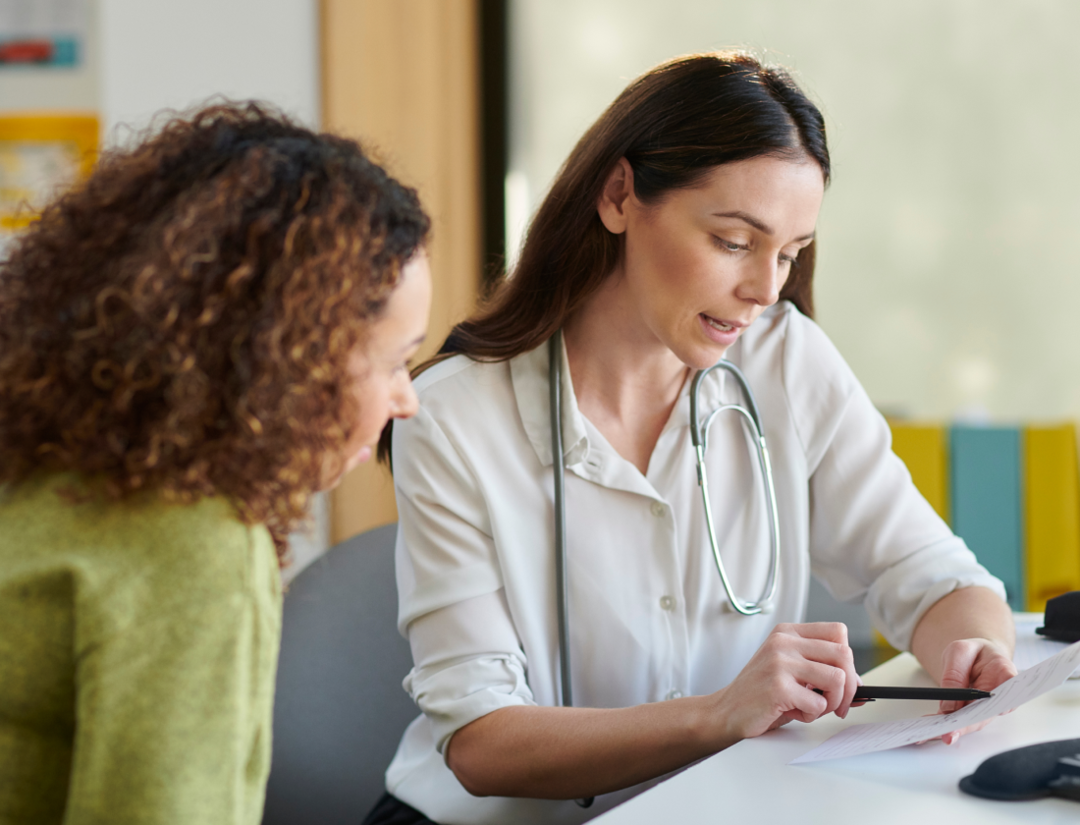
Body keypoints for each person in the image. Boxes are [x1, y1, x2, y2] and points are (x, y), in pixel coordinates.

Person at [366, 52, 1017, 825]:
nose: (765, 289)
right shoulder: (453, 414)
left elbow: (932, 574)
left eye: (790, 253)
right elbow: (482, 744)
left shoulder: (786, 358)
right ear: (619, 196)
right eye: (735, 241)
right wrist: (720, 712)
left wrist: (973, 649)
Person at [0, 102, 431, 824]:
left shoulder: (45, 468)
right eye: (395, 360)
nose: (407, 400)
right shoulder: (196, 545)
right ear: (288, 356)